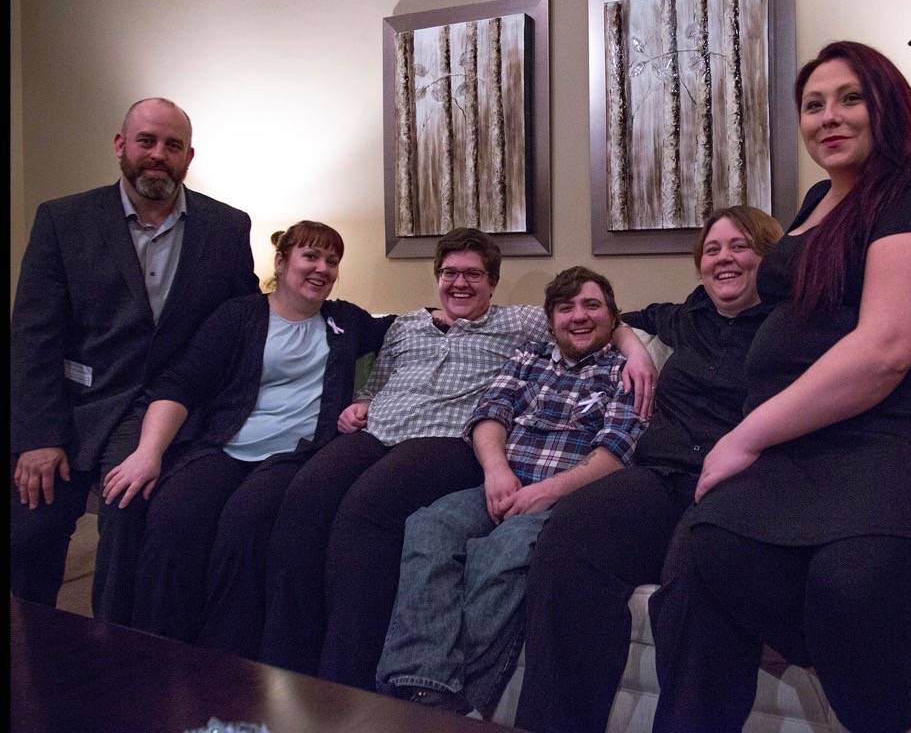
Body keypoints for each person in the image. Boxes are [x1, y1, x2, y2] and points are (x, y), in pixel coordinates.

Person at [647, 41, 911, 733]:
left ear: (888, 105)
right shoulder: (820, 200)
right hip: (814, 453)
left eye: (850, 98)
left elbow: (885, 351)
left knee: (847, 590)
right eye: (814, 104)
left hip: (906, 440)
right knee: (705, 553)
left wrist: (745, 436)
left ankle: (906, 718)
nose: (830, 116)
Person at [251, 228, 656, 682]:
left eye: (473, 274)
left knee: (363, 513)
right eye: (449, 273)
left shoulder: (519, 325)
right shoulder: (410, 326)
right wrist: (362, 404)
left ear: (492, 282)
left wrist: (636, 351)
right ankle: (282, 667)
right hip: (383, 431)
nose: (459, 283)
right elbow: (385, 382)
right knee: (304, 499)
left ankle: (348, 678)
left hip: (443, 441)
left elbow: (597, 324)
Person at [513, 206, 783, 733]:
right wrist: (634, 350)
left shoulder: (791, 326)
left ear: (767, 255)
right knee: (569, 538)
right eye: (712, 249)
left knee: (694, 589)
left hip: (734, 487)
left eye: (739, 246)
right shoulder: (689, 316)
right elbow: (615, 319)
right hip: (657, 476)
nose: (723, 258)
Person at [10, 97, 258, 623]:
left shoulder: (228, 228)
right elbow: (33, 337)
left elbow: (241, 327)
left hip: (160, 413)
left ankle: (116, 659)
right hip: (75, 407)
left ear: (189, 156)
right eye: (147, 141)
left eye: (172, 146)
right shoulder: (63, 220)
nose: (158, 155)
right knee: (31, 528)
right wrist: (37, 437)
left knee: (129, 516)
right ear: (121, 146)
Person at [375, 266, 645, 714]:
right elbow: (490, 413)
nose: (578, 316)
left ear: (613, 318)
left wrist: (547, 492)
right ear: (550, 318)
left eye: (591, 305)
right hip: (503, 483)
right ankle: (419, 685)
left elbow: (616, 452)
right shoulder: (530, 356)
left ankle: (460, 698)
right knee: (428, 526)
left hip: (567, 501)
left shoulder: (627, 372)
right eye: (565, 307)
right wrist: (497, 471)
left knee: (502, 552)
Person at [113, 221, 394, 650]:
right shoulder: (239, 316)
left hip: (296, 457)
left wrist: (450, 310)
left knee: (243, 529)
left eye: (332, 261)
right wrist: (148, 453)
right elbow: (183, 383)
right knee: (172, 520)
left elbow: (407, 328)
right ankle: (153, 650)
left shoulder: (345, 321)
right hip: (224, 448)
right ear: (281, 263)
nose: (322, 268)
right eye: (311, 256)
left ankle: (226, 659)